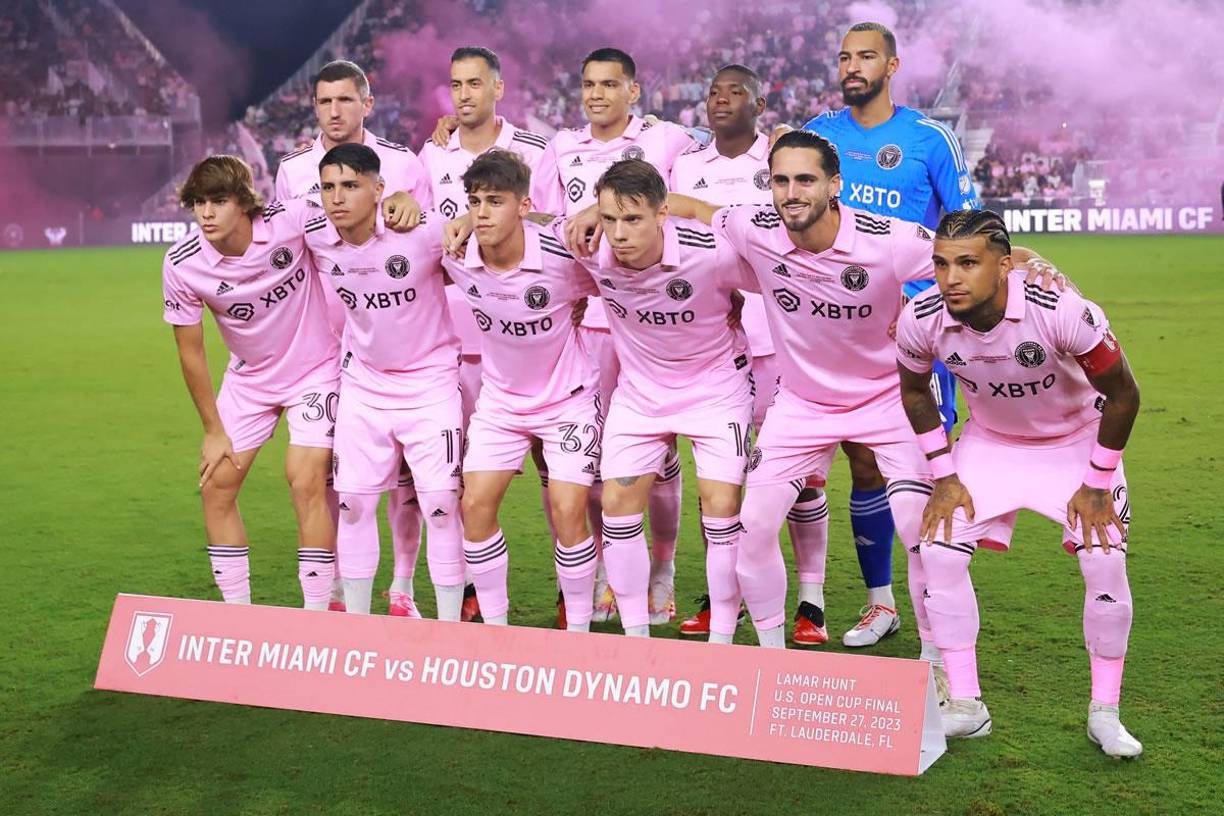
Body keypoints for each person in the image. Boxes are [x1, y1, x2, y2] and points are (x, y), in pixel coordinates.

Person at [894, 210, 1142, 757]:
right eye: (941, 264)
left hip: (1075, 442)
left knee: (1104, 561)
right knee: (938, 550)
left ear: (1004, 266)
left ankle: (1105, 713)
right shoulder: (923, 316)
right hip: (992, 443)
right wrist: (943, 474)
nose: (951, 278)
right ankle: (966, 704)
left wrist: (1097, 481)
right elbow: (913, 391)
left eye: (967, 264)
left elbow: (1124, 393)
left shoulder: (1062, 309)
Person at [533, 47, 697, 625]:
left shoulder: (667, 139)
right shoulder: (561, 148)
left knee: (661, 453)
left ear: (634, 91)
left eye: (609, 84)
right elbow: (542, 222)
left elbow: (706, 177)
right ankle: (606, 570)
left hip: (653, 315)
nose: (596, 94)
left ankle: (663, 570)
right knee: (600, 457)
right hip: (591, 325)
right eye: (589, 85)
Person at [669, 64, 827, 645]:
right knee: (722, 478)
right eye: (713, 92)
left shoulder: (782, 159)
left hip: (782, 334)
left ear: (760, 104)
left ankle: (811, 600)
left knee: (803, 475)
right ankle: (724, 598)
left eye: (735, 92)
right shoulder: (686, 164)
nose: (721, 100)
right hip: (712, 341)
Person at [273, 59, 435, 617]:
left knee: (409, 479)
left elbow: (426, 240)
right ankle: (340, 586)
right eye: (324, 101)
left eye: (344, 100)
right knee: (337, 474)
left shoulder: (404, 162)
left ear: (367, 103)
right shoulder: (293, 170)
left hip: (397, 340)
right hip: (329, 345)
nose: (334, 111)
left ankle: (403, 585)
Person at [569, 159, 752, 640]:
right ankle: (636, 637)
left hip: (715, 389)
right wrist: (464, 222)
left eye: (632, 219)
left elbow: (782, 268)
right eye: (609, 219)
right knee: (616, 502)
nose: (618, 233)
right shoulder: (588, 248)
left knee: (721, 505)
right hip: (641, 394)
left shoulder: (712, 253)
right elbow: (521, 226)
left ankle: (723, 638)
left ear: (662, 214)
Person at [162, 155, 338, 610]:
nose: (206, 213)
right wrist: (213, 430)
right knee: (216, 485)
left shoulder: (291, 221)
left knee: (305, 480)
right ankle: (237, 614)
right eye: (199, 203)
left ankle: (318, 615)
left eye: (218, 201)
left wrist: (400, 203)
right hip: (249, 380)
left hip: (315, 371)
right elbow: (190, 351)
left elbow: (353, 214)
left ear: (243, 201)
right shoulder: (182, 263)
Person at [303, 143, 466, 621]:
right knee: (353, 504)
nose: (337, 197)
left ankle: (451, 630)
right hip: (364, 386)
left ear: (378, 189)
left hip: (430, 384)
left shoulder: (420, 231)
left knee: (440, 505)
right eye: (328, 187)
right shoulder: (314, 235)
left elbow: (483, 225)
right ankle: (358, 627)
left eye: (350, 186)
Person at [440, 149, 601, 630]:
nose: (482, 213)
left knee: (568, 509)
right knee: (473, 505)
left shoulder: (563, 254)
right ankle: (495, 627)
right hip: (501, 405)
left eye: (495, 201)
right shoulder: (455, 253)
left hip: (567, 400)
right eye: (475, 202)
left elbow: (623, 278)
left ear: (524, 206)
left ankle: (578, 628)